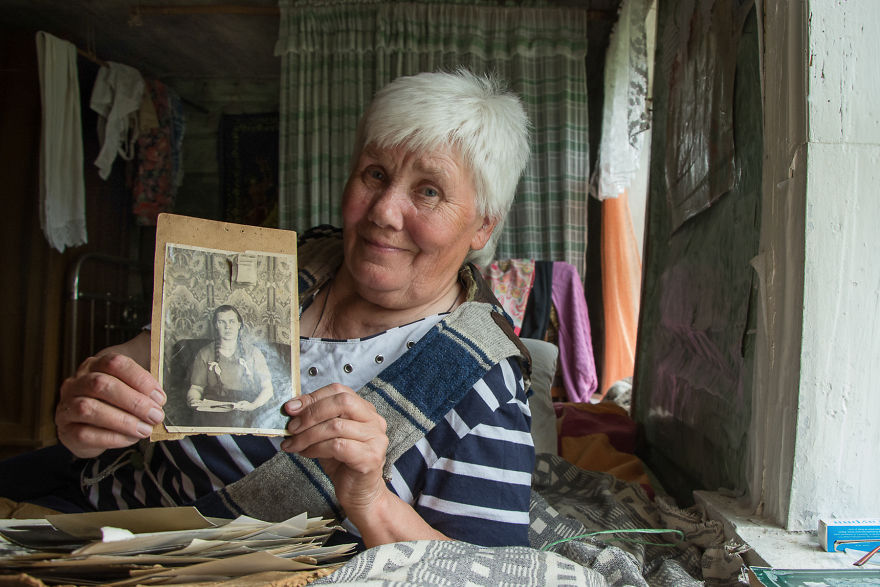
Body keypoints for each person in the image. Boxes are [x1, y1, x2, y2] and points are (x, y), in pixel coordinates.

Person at [49, 69, 534, 548]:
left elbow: (488, 568)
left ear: (481, 228)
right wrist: (89, 411)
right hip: (112, 536)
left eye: (428, 191)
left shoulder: (481, 377)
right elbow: (132, 365)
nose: (384, 211)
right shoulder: (271, 269)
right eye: (375, 174)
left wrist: (370, 500)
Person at [184, 305, 274, 421]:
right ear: (216, 326)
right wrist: (193, 400)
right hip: (214, 410)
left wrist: (253, 406)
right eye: (222, 322)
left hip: (246, 407)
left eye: (232, 321)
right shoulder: (205, 353)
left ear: (239, 325)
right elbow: (196, 387)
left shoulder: (254, 353)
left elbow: (268, 388)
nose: (228, 327)